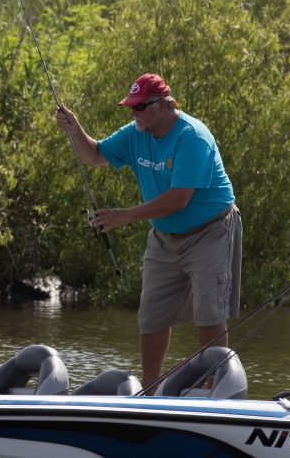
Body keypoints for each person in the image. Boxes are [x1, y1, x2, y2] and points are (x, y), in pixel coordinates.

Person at [55, 73, 241, 389]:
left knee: (209, 312)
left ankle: (217, 388)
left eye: (141, 107)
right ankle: (150, 391)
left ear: (166, 104)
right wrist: (75, 131)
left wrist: (125, 216)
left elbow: (179, 199)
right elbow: (95, 154)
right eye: (131, 107)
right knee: (152, 316)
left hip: (211, 231)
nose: (134, 113)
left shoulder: (192, 137)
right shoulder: (136, 132)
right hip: (164, 237)